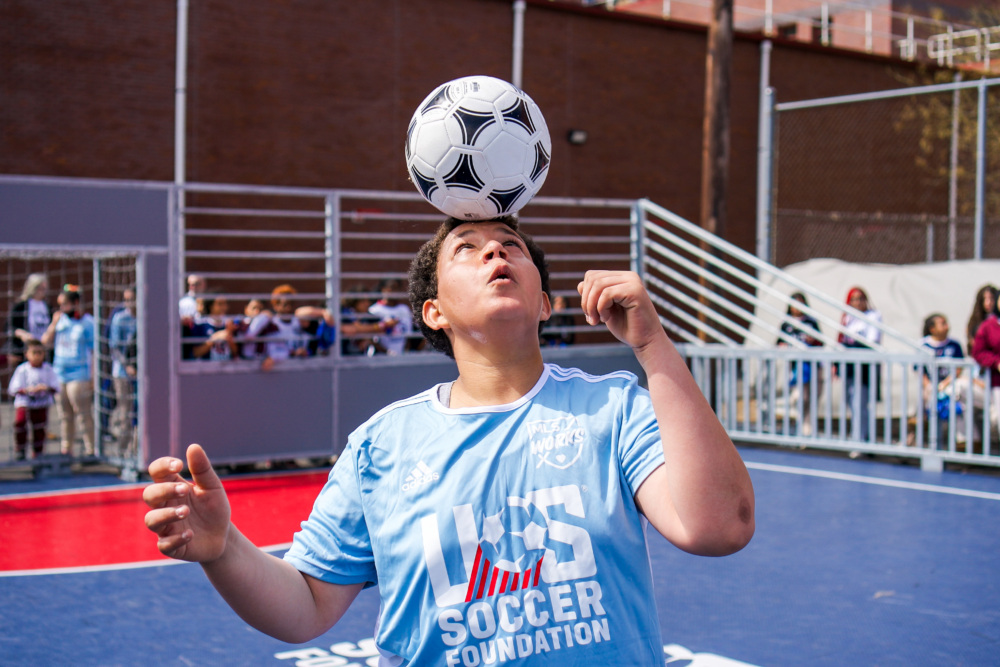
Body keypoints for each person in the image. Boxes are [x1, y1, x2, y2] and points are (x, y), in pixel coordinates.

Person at [143, 216, 755, 664]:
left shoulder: (612, 406)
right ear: (434, 312)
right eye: (468, 248)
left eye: (511, 246)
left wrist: (652, 347)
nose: (496, 253)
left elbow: (720, 526)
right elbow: (305, 605)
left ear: (543, 302)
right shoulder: (382, 444)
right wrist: (224, 550)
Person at [41, 287, 96, 457]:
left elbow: (94, 352)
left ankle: (91, 448)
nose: (61, 308)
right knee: (64, 414)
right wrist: (53, 324)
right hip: (60, 372)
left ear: (75, 303)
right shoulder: (60, 321)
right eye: (60, 305)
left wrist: (93, 377)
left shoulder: (87, 322)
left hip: (79, 373)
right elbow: (44, 342)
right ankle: (67, 447)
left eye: (64, 304)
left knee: (82, 412)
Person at [837, 286, 882, 442]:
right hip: (850, 366)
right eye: (853, 299)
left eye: (860, 298)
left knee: (860, 403)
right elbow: (842, 341)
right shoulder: (848, 318)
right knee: (851, 401)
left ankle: (860, 438)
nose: (857, 302)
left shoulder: (874, 316)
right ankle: (859, 435)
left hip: (864, 368)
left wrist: (851, 346)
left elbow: (871, 340)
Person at [778, 292, 823, 436]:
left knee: (811, 398)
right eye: (794, 304)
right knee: (799, 397)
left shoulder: (811, 322)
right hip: (794, 367)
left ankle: (807, 429)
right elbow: (778, 342)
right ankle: (799, 427)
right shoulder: (786, 323)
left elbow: (820, 342)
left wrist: (812, 341)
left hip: (811, 366)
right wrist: (782, 345)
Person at [7, 339, 60, 461]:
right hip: (25, 403)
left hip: (41, 404)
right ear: (27, 354)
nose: (37, 356)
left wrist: (45, 388)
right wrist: (26, 390)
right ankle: (20, 450)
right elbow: (13, 389)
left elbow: (56, 387)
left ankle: (38, 452)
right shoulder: (22, 369)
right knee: (20, 424)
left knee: (39, 428)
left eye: (40, 353)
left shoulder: (48, 369)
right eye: (34, 352)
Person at [920, 313, 966, 448]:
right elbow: (920, 370)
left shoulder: (954, 344)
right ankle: (929, 442)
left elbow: (958, 368)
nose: (947, 326)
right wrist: (929, 387)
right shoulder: (923, 345)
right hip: (930, 387)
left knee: (956, 407)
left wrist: (944, 384)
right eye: (942, 323)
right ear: (932, 329)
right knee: (929, 407)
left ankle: (960, 442)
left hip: (949, 386)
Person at [243, 285, 309, 370]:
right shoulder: (272, 325)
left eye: (291, 304)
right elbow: (274, 350)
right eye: (285, 304)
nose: (289, 308)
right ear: (276, 306)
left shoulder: (298, 322)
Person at [109, 288, 139, 454]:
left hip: (141, 373)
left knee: (141, 412)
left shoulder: (144, 317)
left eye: (132, 299)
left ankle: (136, 450)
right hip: (122, 373)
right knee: (125, 412)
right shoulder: (120, 318)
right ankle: (121, 452)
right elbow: (114, 347)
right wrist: (127, 365)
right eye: (126, 299)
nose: (129, 303)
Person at [6, 273, 51, 368]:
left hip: (43, 351)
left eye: (44, 289)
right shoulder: (21, 306)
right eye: (40, 288)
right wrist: (23, 334)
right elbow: (9, 327)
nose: (42, 291)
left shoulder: (47, 307)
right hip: (26, 352)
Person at [972, 295, 1000, 446]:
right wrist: (996, 362)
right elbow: (978, 352)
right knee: (997, 418)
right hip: (997, 382)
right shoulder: (988, 326)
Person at [368, 278, 413, 356]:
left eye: (398, 288)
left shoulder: (404, 309)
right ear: (383, 289)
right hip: (380, 358)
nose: (396, 291)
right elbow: (371, 338)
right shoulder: (374, 310)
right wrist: (387, 353)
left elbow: (408, 337)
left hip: (401, 357)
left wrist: (405, 354)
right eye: (392, 288)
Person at [189, 294, 238, 362]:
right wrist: (214, 339)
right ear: (211, 306)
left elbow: (236, 353)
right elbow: (195, 353)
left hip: (226, 368)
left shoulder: (229, 324)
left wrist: (229, 337)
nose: (224, 307)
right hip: (206, 369)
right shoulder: (201, 325)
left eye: (225, 304)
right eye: (220, 304)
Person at [966, 284, 997, 355]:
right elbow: (972, 340)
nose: (988, 303)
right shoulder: (975, 320)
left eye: (992, 299)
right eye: (985, 299)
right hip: (979, 358)